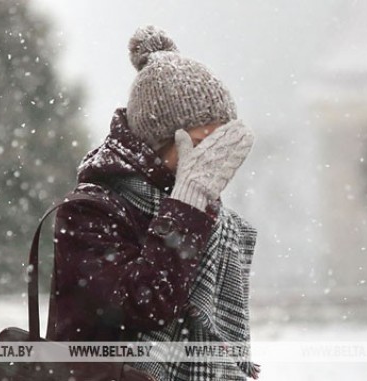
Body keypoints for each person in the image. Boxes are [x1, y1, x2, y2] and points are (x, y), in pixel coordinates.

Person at [46, 25, 260, 380]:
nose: (210, 158)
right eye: (199, 142)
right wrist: (187, 206)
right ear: (159, 139)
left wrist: (191, 205)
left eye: (218, 143)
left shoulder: (206, 214)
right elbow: (144, 304)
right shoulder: (89, 210)